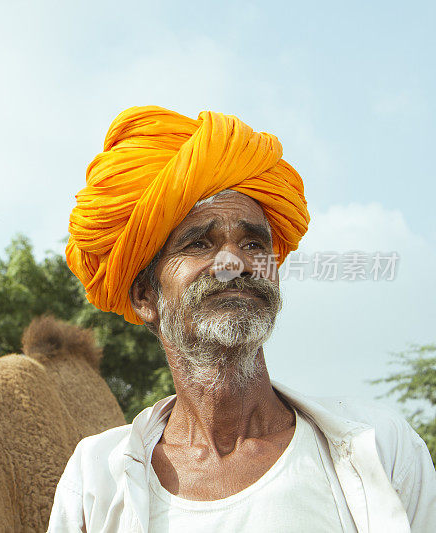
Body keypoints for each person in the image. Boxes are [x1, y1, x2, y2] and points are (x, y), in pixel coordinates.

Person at [47, 107, 436, 532]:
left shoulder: (379, 450)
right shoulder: (96, 481)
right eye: (198, 243)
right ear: (145, 297)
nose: (236, 263)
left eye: (253, 243)